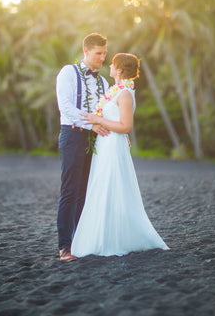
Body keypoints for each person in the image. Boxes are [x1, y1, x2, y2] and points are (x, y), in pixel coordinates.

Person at [71, 53, 169, 257]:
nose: (109, 66)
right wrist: (96, 121)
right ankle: (102, 235)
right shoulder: (115, 91)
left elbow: (126, 126)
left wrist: (95, 120)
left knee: (111, 187)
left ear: (120, 70)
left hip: (113, 146)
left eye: (113, 64)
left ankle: (114, 239)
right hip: (105, 145)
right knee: (101, 186)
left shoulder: (124, 94)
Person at [56, 33, 109, 262]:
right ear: (86, 51)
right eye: (99, 53)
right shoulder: (68, 72)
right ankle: (65, 247)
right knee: (69, 191)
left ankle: (81, 242)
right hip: (72, 135)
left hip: (94, 139)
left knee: (85, 192)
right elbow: (66, 107)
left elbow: (108, 111)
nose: (103, 58)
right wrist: (93, 123)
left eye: (105, 53)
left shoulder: (103, 81)